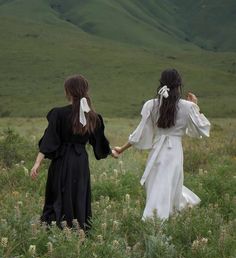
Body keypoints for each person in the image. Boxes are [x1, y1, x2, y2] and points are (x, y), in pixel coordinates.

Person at [114, 69, 211, 220]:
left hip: (157, 151)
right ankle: (161, 220)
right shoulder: (188, 106)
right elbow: (202, 129)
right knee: (167, 185)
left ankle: (153, 222)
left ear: (161, 83)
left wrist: (122, 148)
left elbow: (139, 133)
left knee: (157, 187)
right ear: (179, 85)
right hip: (174, 152)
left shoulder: (151, 105)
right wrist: (195, 106)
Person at [31, 74, 117, 229]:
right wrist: (111, 152)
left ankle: (56, 227)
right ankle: (78, 229)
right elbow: (100, 143)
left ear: (68, 91)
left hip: (62, 161)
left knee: (59, 192)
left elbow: (48, 141)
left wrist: (37, 163)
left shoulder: (59, 113)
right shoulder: (93, 117)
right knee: (78, 193)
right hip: (80, 162)